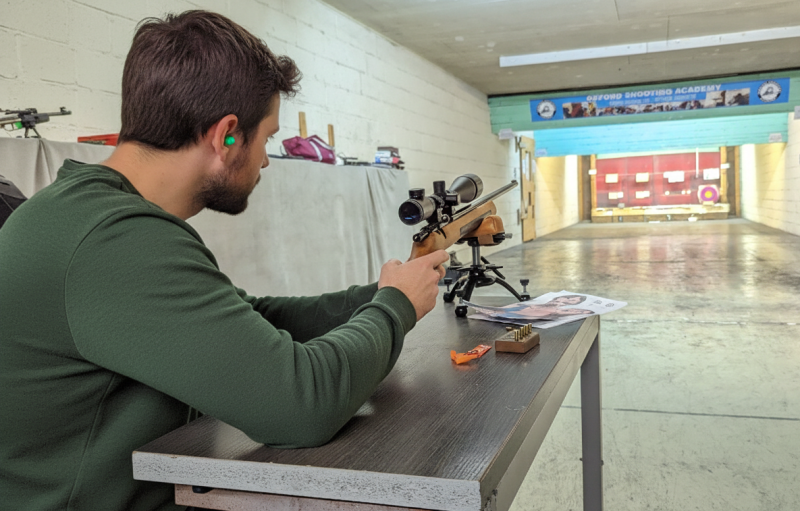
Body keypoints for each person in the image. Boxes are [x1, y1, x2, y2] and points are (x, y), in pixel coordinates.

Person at [0, 10, 448, 511]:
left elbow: (250, 318)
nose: (265, 161)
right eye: (267, 139)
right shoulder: (113, 240)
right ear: (226, 135)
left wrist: (381, 293)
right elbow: (302, 406)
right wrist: (393, 309)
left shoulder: (92, 214)